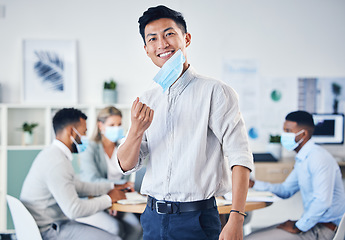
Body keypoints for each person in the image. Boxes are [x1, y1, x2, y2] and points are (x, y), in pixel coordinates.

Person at [117, 5, 254, 240]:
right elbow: (127, 165)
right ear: (146, 49)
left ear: (186, 38)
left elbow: (240, 157)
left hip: (197, 219)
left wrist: (236, 218)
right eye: (153, 38)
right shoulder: (147, 98)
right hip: (152, 217)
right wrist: (136, 132)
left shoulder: (215, 92)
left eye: (169, 34)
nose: (162, 44)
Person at [20, 108, 128, 240]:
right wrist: (109, 199)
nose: (85, 138)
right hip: (49, 229)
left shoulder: (53, 154)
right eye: (84, 132)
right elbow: (74, 210)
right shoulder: (57, 162)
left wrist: (111, 187)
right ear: (72, 132)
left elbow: (78, 186)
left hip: (51, 223)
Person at [245, 111, 345, 240]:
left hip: (324, 230)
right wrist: (254, 184)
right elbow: (285, 190)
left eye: (288, 131)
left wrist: (299, 226)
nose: (284, 135)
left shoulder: (318, 158)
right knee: (249, 236)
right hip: (312, 225)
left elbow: (322, 201)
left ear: (303, 134)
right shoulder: (303, 158)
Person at [79, 106, 142, 240]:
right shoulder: (89, 148)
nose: (116, 128)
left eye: (119, 124)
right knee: (115, 228)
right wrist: (122, 184)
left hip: (120, 200)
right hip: (94, 200)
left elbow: (132, 173)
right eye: (112, 125)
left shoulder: (123, 147)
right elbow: (91, 180)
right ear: (100, 126)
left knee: (136, 228)